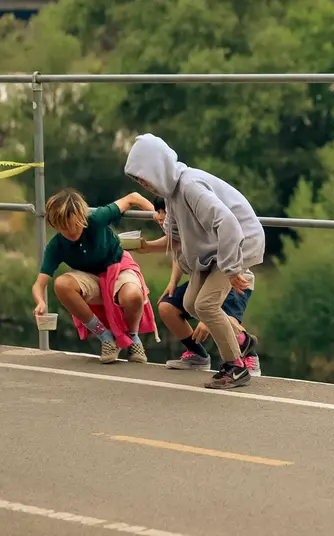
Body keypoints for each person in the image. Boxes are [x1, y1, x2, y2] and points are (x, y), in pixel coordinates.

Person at [124, 133, 266, 389]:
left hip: (239, 244)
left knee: (206, 304)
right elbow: (175, 237)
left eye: (143, 175)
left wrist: (233, 269)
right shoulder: (171, 193)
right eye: (137, 178)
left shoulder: (190, 186)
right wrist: (147, 245)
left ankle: (235, 368)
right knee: (190, 303)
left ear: (157, 167)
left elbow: (228, 223)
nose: (142, 182)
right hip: (216, 249)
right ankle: (243, 343)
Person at [31, 188, 159, 363]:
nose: (70, 231)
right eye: (63, 228)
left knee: (133, 295)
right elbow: (39, 283)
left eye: (74, 224)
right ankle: (106, 338)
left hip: (118, 266)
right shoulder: (56, 246)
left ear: (82, 217)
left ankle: (133, 338)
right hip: (91, 278)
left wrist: (158, 216)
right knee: (61, 284)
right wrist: (40, 301)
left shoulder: (97, 219)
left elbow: (132, 198)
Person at [138, 197, 261, 376]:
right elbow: (177, 253)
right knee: (167, 307)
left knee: (221, 317)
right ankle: (197, 356)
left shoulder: (196, 229)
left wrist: (206, 316)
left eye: (162, 212)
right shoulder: (176, 229)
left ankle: (249, 355)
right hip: (202, 280)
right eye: (157, 212)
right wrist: (172, 282)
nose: (158, 216)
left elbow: (216, 270)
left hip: (232, 279)